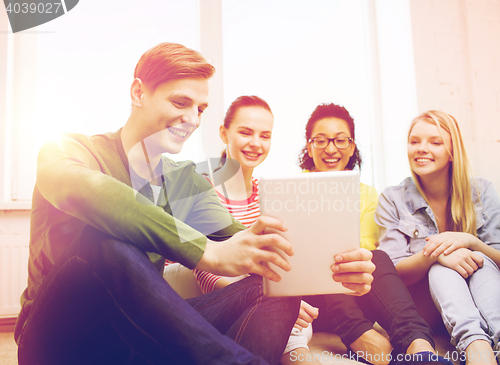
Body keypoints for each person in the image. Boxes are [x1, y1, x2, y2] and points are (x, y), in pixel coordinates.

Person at [293, 103, 453, 365]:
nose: (331, 149)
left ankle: (419, 346)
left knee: (373, 256)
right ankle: (359, 335)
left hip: (353, 293)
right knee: (332, 257)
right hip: (311, 302)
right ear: (309, 147)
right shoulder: (291, 192)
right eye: (320, 141)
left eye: (340, 140)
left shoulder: (366, 193)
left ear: (352, 146)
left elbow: (363, 255)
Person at [376, 110, 500, 365]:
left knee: (480, 258)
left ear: (453, 150)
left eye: (435, 142)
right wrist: (437, 254)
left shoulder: (483, 191)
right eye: (414, 141)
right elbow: (393, 273)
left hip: (483, 294)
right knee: (441, 267)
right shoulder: (393, 198)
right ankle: (476, 348)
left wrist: (471, 242)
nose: (422, 149)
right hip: (427, 306)